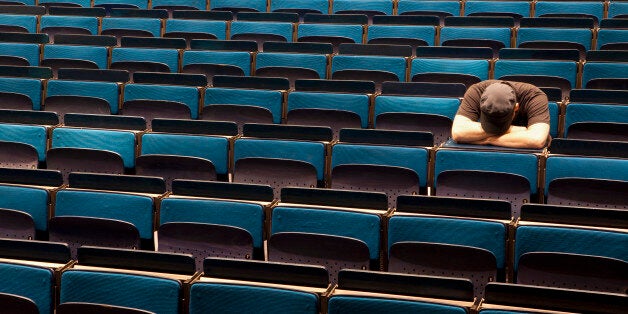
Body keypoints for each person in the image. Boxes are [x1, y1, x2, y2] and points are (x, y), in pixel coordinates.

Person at [451, 80, 551, 149]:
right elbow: (458, 132)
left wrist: (489, 140)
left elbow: (536, 140)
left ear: (516, 108)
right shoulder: (476, 91)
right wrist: (521, 130)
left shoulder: (535, 97)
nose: (495, 131)